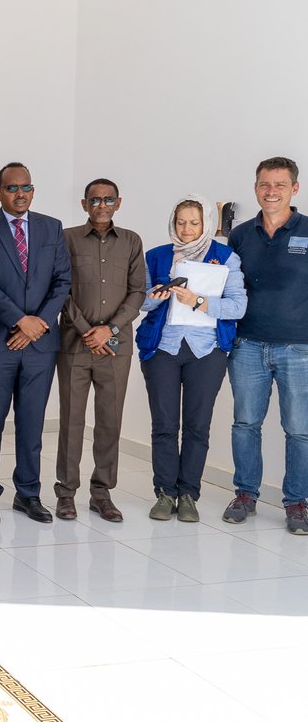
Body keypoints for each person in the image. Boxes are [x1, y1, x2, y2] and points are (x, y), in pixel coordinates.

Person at [0, 162, 71, 524]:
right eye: (12, 188)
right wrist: (19, 320)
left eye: (26, 187)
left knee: (32, 423)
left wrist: (37, 324)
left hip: (40, 344)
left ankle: (28, 494)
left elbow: (62, 281)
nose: (20, 193)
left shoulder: (51, 228)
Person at [138, 195, 246, 522]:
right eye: (181, 222)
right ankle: (164, 492)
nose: (187, 229)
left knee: (197, 426)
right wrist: (156, 296)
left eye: (194, 222)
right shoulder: (156, 256)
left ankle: (188, 493)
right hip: (163, 350)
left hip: (207, 351)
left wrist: (198, 300)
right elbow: (140, 302)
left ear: (206, 225)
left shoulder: (225, 257)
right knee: (164, 425)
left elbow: (238, 307)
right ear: (173, 222)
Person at [53, 179, 145, 522]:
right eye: (95, 199)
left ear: (118, 203)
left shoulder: (132, 241)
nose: (102, 205)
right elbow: (60, 287)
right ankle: (66, 493)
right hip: (75, 345)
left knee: (109, 421)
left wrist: (110, 329)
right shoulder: (67, 238)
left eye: (108, 199)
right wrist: (86, 330)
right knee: (72, 420)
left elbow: (138, 292)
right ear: (84, 203)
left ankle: (102, 493)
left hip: (116, 348)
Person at [225, 156, 308, 534]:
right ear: (255, 187)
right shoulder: (240, 235)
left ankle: (297, 503)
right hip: (247, 345)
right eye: (264, 184)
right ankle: (245, 494)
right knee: (245, 423)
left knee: (299, 430)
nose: (270, 191)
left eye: (279, 184)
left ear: (295, 188)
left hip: (299, 348)